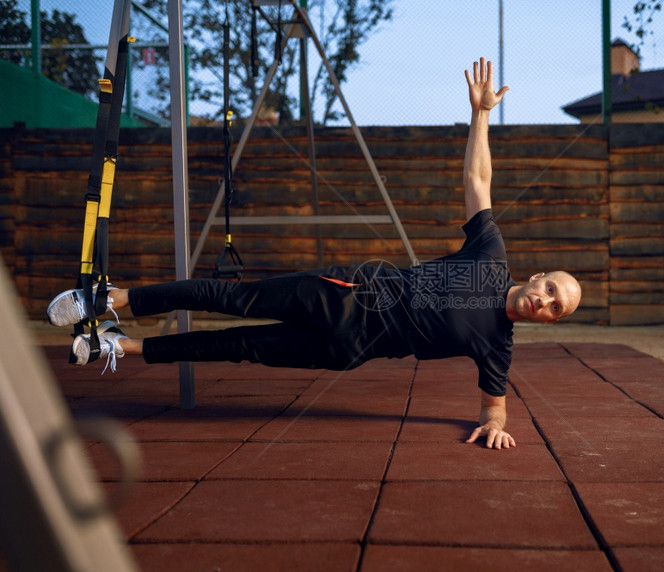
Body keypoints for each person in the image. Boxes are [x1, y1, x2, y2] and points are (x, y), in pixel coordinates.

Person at [47, 58, 582, 449]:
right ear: (537, 277)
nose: (548, 302)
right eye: (552, 289)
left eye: (558, 308)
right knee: (230, 298)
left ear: (552, 321)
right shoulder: (490, 254)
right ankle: (107, 298)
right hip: (343, 293)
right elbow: (478, 177)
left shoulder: (498, 346)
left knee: (238, 348)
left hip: (345, 350)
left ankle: (120, 348)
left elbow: (495, 408)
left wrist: (496, 425)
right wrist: (481, 115)